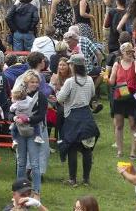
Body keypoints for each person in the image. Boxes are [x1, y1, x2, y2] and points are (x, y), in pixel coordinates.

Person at [56, 55, 98, 188]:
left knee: (72, 148)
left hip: (72, 116)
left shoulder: (70, 82)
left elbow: (60, 98)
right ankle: (86, 179)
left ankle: (72, 179)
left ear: (74, 66)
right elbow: (92, 95)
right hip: (86, 115)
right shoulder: (90, 80)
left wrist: (58, 94)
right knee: (87, 149)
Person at [109, 42, 136, 158]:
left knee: (133, 125)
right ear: (122, 53)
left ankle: (133, 152)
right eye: (127, 52)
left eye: (131, 51)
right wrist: (109, 77)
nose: (130, 54)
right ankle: (120, 150)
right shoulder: (117, 64)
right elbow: (112, 82)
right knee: (119, 125)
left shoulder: (135, 63)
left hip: (132, 98)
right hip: (119, 97)